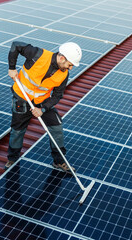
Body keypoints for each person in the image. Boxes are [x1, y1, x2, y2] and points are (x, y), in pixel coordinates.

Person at [6, 41, 82, 173]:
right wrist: (12, 68)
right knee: (18, 130)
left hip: (42, 102)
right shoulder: (38, 55)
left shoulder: (64, 74)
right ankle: (12, 159)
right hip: (22, 98)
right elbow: (16, 45)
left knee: (56, 127)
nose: (70, 68)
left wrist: (43, 109)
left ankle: (59, 161)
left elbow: (57, 95)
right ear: (62, 58)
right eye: (70, 65)